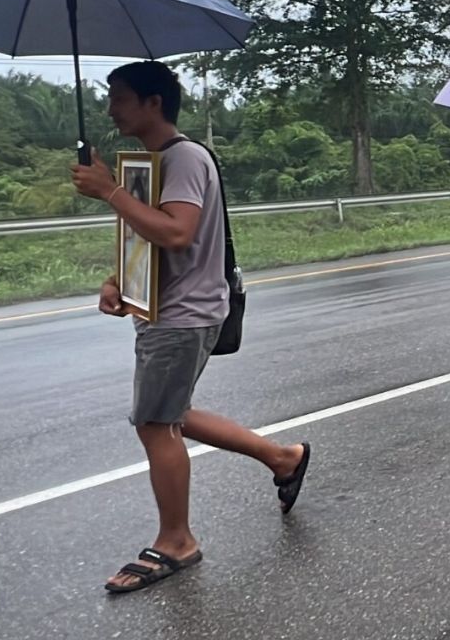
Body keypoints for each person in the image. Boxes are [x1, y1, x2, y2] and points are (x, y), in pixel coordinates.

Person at [70, 61, 311, 594]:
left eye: (120, 97)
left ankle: (177, 540)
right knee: (170, 413)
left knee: (156, 423)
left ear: (153, 103)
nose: (110, 109)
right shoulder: (151, 162)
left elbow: (178, 233)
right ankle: (283, 457)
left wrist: (110, 192)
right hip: (166, 306)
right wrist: (120, 279)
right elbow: (149, 234)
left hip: (183, 314)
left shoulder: (182, 158)